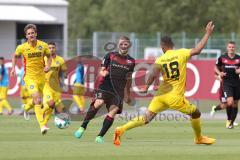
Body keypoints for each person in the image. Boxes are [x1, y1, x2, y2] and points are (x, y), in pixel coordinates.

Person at [113, 21, 215, 146]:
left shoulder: (160, 59)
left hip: (161, 95)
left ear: (163, 46)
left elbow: (153, 73)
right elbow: (198, 50)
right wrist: (207, 33)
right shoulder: (181, 53)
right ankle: (199, 138)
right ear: (172, 45)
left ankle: (121, 129)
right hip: (174, 96)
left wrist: (146, 86)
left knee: (146, 118)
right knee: (196, 113)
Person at [74, 36, 135, 143]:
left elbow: (129, 78)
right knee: (98, 103)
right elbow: (101, 71)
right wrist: (103, 73)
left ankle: (100, 136)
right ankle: (83, 127)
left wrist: (127, 94)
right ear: (118, 44)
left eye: (126, 44)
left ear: (129, 45)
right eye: (121, 44)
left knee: (113, 111)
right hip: (105, 86)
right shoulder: (110, 55)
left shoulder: (131, 61)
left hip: (118, 90)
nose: (123, 46)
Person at [11, 24, 52, 134]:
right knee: (37, 99)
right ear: (26, 36)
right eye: (29, 34)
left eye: (32, 33)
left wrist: (48, 66)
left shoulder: (43, 45)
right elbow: (14, 56)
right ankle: (42, 126)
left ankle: (27, 107)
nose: (31, 35)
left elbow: (49, 57)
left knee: (51, 103)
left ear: (36, 33)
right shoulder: (22, 47)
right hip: (30, 78)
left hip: (42, 78)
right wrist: (13, 68)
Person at [215, 41, 240, 129]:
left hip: (237, 83)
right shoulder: (222, 58)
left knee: (235, 104)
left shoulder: (238, 58)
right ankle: (229, 120)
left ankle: (231, 123)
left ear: (235, 48)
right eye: (230, 47)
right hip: (227, 83)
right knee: (230, 102)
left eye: (233, 47)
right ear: (227, 48)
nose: (231, 48)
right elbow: (215, 67)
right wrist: (219, 73)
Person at [42, 42, 67, 128]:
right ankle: (40, 112)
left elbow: (64, 71)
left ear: (55, 49)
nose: (51, 49)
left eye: (53, 47)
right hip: (46, 86)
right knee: (51, 103)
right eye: (49, 48)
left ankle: (44, 123)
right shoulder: (43, 59)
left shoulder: (60, 60)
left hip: (56, 87)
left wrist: (65, 75)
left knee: (53, 107)